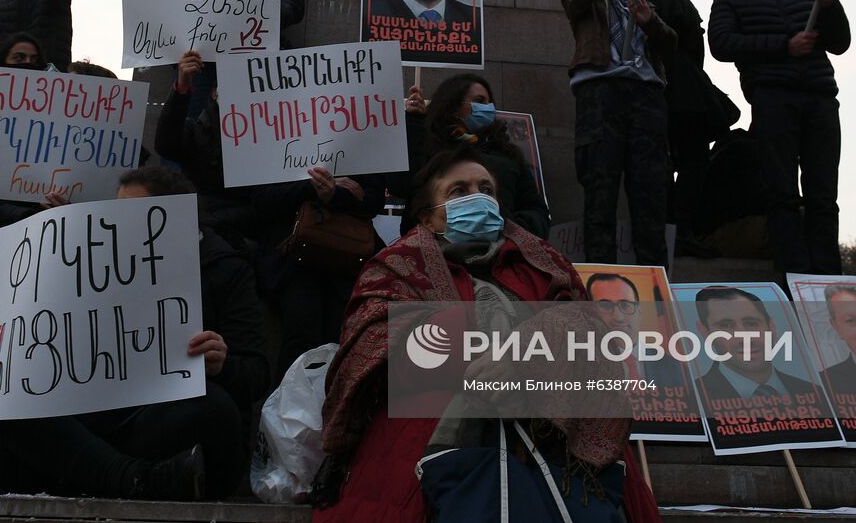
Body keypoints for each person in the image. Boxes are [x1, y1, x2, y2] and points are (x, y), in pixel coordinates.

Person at [312, 145, 660, 523]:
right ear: (427, 218)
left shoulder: (543, 262)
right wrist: (473, 357)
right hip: (435, 431)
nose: (476, 197)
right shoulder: (395, 267)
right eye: (459, 191)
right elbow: (373, 339)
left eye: (486, 189)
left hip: (552, 429)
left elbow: (588, 330)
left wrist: (523, 357)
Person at [0, 165, 270, 500]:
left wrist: (222, 364)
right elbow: (38, 354)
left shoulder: (226, 269)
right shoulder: (84, 263)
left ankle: (99, 476)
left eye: (131, 212)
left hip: (165, 426)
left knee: (215, 407)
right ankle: (134, 480)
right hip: (101, 424)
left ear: (171, 216)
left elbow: (256, 375)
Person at [708, 0, 850, 277]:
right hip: (772, 100)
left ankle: (828, 279)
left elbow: (840, 42)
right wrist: (783, 46)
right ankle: (795, 278)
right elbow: (722, 44)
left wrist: (830, 7)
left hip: (819, 99)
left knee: (823, 195)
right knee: (781, 194)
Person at [561, 0, 675, 265]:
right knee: (600, 191)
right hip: (600, 92)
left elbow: (671, 43)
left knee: (650, 193)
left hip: (646, 95)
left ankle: (657, 283)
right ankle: (602, 280)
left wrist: (650, 21)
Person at [254, 163, 385, 380]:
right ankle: (289, 409)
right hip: (292, 258)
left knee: (342, 337)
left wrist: (335, 194)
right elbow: (262, 199)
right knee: (302, 333)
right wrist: (314, 187)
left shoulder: (364, 142)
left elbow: (371, 199)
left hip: (346, 258)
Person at [638, 0, 737, 257]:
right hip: (690, 96)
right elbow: (695, 45)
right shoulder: (677, 2)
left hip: (653, 95)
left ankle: (669, 227)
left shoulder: (635, 12)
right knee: (694, 162)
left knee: (660, 165)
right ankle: (684, 227)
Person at [400, 73, 548, 237]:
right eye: (479, 101)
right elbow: (402, 185)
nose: (488, 107)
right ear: (454, 106)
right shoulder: (429, 146)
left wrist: (506, 228)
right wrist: (414, 123)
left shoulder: (508, 154)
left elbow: (536, 211)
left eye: (489, 102)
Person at [154, 50, 256, 244]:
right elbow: (166, 144)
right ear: (213, 93)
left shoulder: (268, 139)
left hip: (248, 230)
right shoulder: (198, 131)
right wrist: (182, 87)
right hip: (206, 227)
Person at [694, 285, 819, 402]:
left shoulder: (816, 393)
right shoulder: (692, 398)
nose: (745, 338)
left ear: (772, 327)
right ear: (705, 332)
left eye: (751, 323)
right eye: (726, 326)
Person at [585, 271, 683, 391]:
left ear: (640, 312)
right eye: (606, 306)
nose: (618, 317)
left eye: (626, 305)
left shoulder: (672, 366)